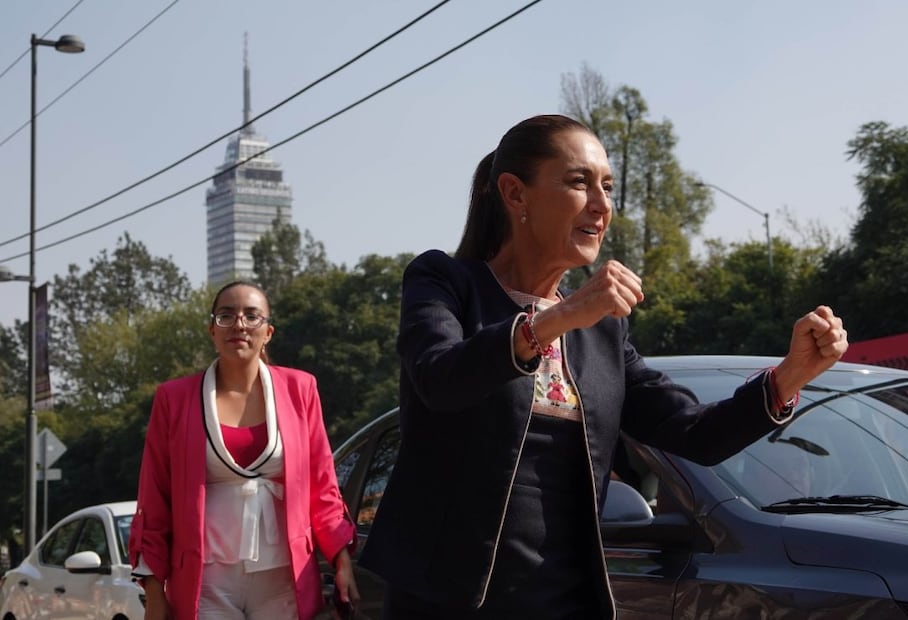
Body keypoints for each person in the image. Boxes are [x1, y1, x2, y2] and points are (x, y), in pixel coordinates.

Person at [358, 114, 849, 619]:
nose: (601, 205)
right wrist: (556, 317)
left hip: (567, 599)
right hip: (446, 600)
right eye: (578, 182)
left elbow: (694, 432)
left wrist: (790, 375)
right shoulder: (444, 281)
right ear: (515, 194)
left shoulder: (602, 330)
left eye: (608, 188)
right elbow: (439, 379)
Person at [128, 281, 359, 620]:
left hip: (284, 573)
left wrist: (342, 560)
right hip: (205, 578)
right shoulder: (173, 399)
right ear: (211, 330)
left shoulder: (301, 389)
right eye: (226, 316)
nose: (238, 324)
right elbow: (155, 497)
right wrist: (154, 589)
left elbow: (323, 486)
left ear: (268, 332)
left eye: (251, 316)